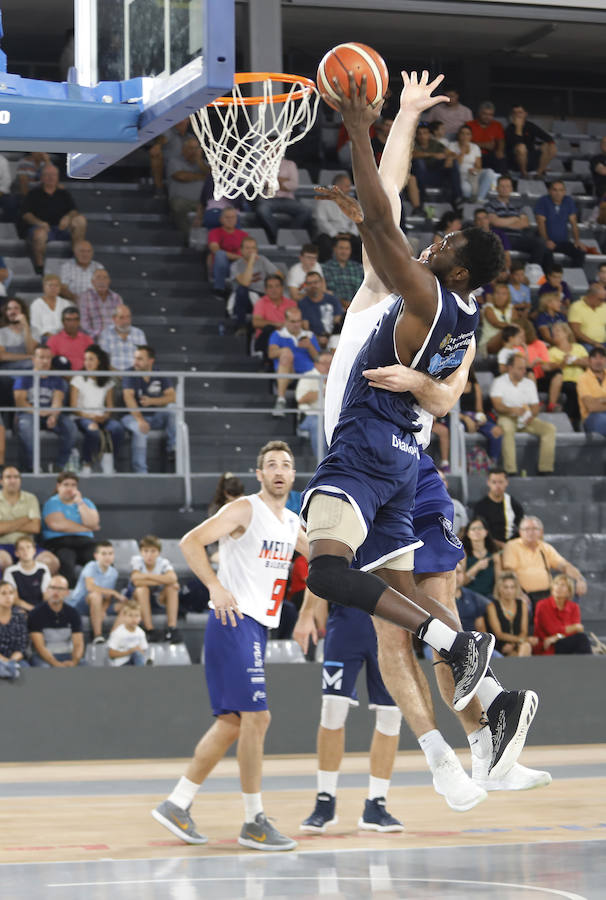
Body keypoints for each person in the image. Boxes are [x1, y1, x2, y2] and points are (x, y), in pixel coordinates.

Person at [297, 72, 544, 797]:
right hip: (404, 453)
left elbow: (380, 213)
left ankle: (470, 716)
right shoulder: (461, 313)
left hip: (374, 449)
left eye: (441, 242)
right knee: (400, 610)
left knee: (392, 597)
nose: (428, 240)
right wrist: (402, 113)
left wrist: (360, 128)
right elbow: (390, 205)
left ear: (454, 264)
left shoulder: (408, 291)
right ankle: (471, 733)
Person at [152, 441, 305, 850]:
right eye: (270, 464)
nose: (278, 470)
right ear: (259, 474)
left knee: (233, 723)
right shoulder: (244, 509)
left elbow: (328, 555)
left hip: (255, 627)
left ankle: (177, 803)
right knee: (258, 719)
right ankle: (254, 820)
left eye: (285, 465)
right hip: (234, 620)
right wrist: (216, 586)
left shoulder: (291, 523)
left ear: (293, 477)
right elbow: (190, 542)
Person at [300, 599, 405, 833]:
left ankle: (376, 805)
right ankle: (324, 801)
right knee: (332, 710)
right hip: (345, 623)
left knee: (391, 714)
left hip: (390, 624)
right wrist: (307, 614)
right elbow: (318, 570)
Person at [489, 353, 556, 476]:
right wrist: (512, 410)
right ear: (510, 368)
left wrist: (531, 415)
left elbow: (535, 407)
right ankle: (510, 470)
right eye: (520, 368)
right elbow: (497, 405)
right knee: (507, 429)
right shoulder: (499, 382)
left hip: (526, 418)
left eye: (524, 368)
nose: (524, 371)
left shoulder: (529, 383)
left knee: (549, 429)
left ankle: (545, 469)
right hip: (507, 417)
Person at [502, 515, 586, 611]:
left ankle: (566, 622)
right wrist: (518, 592)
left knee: (574, 584)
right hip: (524, 595)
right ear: (520, 532)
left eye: (534, 529)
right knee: (521, 605)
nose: (530, 532)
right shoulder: (512, 546)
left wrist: (579, 579)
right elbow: (509, 572)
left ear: (541, 532)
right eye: (526, 529)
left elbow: (564, 565)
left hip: (548, 594)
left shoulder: (545, 548)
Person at [13, 345, 77, 473]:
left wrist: (53, 416)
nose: (45, 361)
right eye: (41, 357)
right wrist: (38, 411)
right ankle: (32, 467)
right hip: (29, 413)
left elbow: (57, 401)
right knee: (26, 427)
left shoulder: (57, 380)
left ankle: (59, 465)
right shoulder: (24, 378)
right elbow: (20, 402)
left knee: (70, 427)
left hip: (48, 413)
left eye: (48, 358)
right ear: (33, 359)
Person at [20, 164, 87, 273]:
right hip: (43, 228)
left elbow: (74, 210)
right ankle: (40, 268)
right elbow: (26, 214)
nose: (51, 178)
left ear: (57, 177)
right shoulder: (33, 194)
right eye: (47, 175)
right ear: (41, 178)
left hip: (62, 228)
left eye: (53, 175)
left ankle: (77, 260)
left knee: (80, 220)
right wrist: (40, 223)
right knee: (39, 234)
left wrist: (67, 218)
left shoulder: (63, 193)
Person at [69, 344, 124, 475]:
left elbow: (110, 406)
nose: (87, 362)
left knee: (117, 429)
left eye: (91, 359)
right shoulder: (78, 379)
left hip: (101, 417)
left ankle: (109, 459)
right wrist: (90, 416)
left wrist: (105, 416)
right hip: (83, 417)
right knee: (92, 429)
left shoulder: (108, 381)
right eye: (86, 359)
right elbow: (73, 407)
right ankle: (86, 463)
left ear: (99, 361)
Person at [121, 345, 176, 474]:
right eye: (135, 358)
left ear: (150, 361)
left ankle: (173, 449)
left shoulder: (159, 374)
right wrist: (140, 419)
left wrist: (152, 401)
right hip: (132, 417)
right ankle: (141, 472)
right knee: (141, 431)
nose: (136, 362)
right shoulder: (129, 373)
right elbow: (128, 398)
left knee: (173, 411)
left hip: (155, 416)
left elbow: (172, 397)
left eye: (140, 359)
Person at [41, 472, 99, 587]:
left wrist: (80, 503)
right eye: (66, 484)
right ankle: (69, 594)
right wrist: (86, 528)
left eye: (73, 485)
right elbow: (57, 525)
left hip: (85, 543)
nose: (70, 488)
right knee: (66, 558)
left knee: (98, 557)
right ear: (58, 486)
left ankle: (99, 592)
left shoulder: (86, 502)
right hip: (60, 543)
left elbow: (93, 522)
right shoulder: (52, 502)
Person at [0, 466, 58, 574]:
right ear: (1, 481)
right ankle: (4, 590)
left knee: (51, 562)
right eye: (8, 477)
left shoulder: (31, 498)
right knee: (2, 561)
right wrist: (24, 520)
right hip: (2, 545)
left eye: (16, 477)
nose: (13, 480)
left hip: (28, 546)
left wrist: (6, 525)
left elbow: (35, 527)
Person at [486, 175, 548, 270]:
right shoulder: (490, 205)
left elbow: (525, 223)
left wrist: (505, 222)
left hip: (518, 238)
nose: (505, 189)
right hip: (501, 238)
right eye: (502, 186)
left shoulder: (516, 206)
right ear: (497, 188)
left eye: (507, 186)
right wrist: (515, 219)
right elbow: (495, 222)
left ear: (511, 188)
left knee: (540, 243)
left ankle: (532, 271)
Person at [268, 307, 320, 417]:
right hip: (289, 372)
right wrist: (284, 350)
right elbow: (271, 353)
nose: (296, 324)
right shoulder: (278, 334)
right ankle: (281, 400)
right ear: (286, 321)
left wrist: (310, 346)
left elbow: (318, 359)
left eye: (299, 321)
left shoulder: (309, 335)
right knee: (286, 354)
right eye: (293, 321)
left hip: (309, 373)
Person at [129, 534, 181, 643]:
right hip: (139, 599)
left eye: (153, 551)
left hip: (158, 598)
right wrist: (162, 579)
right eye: (146, 551)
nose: (149, 555)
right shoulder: (137, 560)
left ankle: (172, 628)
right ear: (140, 552)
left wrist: (146, 576)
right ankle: (149, 629)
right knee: (142, 589)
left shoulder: (163, 562)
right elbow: (136, 580)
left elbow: (172, 578)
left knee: (172, 588)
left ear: (158, 552)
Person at [71, 540, 125, 644]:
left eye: (110, 554)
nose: (107, 557)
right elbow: (90, 587)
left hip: (100, 604)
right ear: (96, 556)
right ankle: (98, 635)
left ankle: (113, 637)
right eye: (103, 554)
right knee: (96, 596)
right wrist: (113, 592)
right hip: (81, 604)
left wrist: (103, 609)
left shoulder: (114, 573)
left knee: (127, 605)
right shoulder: (91, 566)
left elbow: (108, 597)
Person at [28, 574, 85, 667]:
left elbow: (78, 644)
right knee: (45, 669)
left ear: (67, 592)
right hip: (43, 657)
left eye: (60, 589)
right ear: (46, 590)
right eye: (53, 588)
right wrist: (55, 663)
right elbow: (39, 647)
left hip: (68, 655)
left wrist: (74, 661)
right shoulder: (35, 613)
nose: (56, 592)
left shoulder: (73, 613)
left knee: (85, 666)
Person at [255, 157, 313, 243]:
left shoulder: (290, 164)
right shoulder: (261, 164)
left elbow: (294, 185)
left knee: (306, 210)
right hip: (267, 199)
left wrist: (273, 181)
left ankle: (288, 234)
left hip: (287, 199)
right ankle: (276, 236)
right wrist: (283, 180)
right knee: (262, 209)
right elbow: (261, 183)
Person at [229, 237, 279, 334]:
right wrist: (251, 262)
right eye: (247, 248)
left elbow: (279, 276)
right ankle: (241, 326)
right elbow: (245, 283)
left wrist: (270, 282)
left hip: (262, 297)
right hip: (243, 301)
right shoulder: (235, 266)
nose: (251, 251)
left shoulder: (263, 260)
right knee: (242, 289)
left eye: (253, 248)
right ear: (241, 250)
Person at [533, 574, 592, 656]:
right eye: (556, 584)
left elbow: (576, 632)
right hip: (548, 646)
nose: (558, 587)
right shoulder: (542, 605)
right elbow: (552, 630)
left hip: (561, 642)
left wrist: (556, 637)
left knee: (581, 640)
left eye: (563, 585)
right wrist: (574, 627)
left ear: (569, 592)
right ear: (552, 587)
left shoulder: (574, 607)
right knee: (582, 639)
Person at [535, 180, 585, 269]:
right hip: (546, 241)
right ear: (549, 191)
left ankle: (574, 276)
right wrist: (546, 241)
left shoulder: (568, 201)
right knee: (546, 252)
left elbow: (574, 223)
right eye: (555, 190)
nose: (558, 193)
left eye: (561, 190)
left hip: (563, 242)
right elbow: (541, 224)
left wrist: (577, 241)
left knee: (580, 252)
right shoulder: (543, 201)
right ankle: (550, 279)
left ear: (564, 192)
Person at [486, 571, 536, 657]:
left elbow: (524, 631)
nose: (509, 591)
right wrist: (520, 640)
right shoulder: (492, 606)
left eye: (512, 587)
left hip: (518, 644)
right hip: (500, 645)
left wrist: (514, 644)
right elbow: (499, 634)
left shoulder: (522, 604)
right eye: (506, 587)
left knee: (526, 647)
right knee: (516, 651)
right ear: (499, 588)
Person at [548, 321, 588, 429]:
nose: (554, 333)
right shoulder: (552, 351)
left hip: (582, 381)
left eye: (557, 330)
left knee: (579, 388)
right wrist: (563, 363)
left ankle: (572, 422)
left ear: (566, 333)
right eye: (553, 332)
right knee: (574, 390)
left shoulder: (578, 347)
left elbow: (588, 362)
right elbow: (552, 370)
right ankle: (571, 422)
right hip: (564, 382)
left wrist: (574, 361)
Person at [411, 122, 462, 207]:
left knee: (453, 163)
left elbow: (453, 154)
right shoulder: (412, 143)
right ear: (416, 135)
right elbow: (412, 154)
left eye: (425, 133)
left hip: (434, 174)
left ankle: (458, 197)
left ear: (429, 134)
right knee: (419, 162)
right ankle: (423, 197)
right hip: (418, 176)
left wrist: (449, 158)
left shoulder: (434, 143)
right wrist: (432, 155)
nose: (422, 136)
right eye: (419, 134)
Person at [314, 173, 361, 262]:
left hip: (348, 233)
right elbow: (321, 221)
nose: (349, 189)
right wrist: (334, 233)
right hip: (329, 234)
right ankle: (326, 267)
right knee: (324, 242)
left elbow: (356, 219)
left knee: (359, 243)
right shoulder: (324, 201)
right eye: (347, 186)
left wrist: (351, 233)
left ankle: (356, 269)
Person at [458, 368, 503, 464]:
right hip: (458, 417)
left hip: (473, 416)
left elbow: (479, 409)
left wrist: (480, 418)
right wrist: (465, 418)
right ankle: (459, 462)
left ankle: (492, 462)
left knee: (497, 431)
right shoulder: (452, 385)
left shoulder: (475, 386)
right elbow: (449, 410)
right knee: (460, 428)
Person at [166, 137, 210, 234]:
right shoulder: (175, 161)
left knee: (215, 211)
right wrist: (202, 176)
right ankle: (188, 239)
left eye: (196, 148)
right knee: (178, 208)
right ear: (183, 149)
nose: (194, 151)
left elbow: (210, 176)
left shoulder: (203, 164)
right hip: (181, 200)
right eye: (191, 148)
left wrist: (199, 161)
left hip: (201, 203)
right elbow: (181, 176)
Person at [473, 468, 524, 549]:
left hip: (512, 546)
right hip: (488, 547)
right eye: (494, 482)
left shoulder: (515, 505)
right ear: (488, 483)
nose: (497, 486)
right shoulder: (480, 506)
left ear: (506, 482)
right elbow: (478, 531)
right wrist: (498, 544)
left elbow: (521, 528)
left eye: (501, 482)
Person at [295, 350, 332, 459]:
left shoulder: (337, 379)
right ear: (316, 364)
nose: (328, 366)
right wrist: (324, 390)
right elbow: (301, 399)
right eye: (324, 363)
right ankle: (323, 465)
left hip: (331, 417)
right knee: (318, 423)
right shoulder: (308, 376)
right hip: (310, 416)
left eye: (330, 362)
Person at [504, 106, 557, 178]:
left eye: (520, 112)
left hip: (530, 158)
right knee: (521, 147)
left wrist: (551, 144)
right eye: (515, 113)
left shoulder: (530, 126)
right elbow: (517, 144)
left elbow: (547, 137)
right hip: (515, 162)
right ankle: (524, 174)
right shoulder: (509, 129)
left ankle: (539, 173)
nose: (517, 115)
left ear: (525, 114)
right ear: (512, 115)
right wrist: (518, 129)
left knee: (549, 146)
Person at [207, 207, 248, 296]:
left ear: (236, 219)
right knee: (220, 254)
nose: (230, 220)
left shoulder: (244, 235)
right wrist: (236, 256)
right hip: (221, 266)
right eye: (227, 217)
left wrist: (239, 257)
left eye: (233, 217)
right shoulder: (214, 232)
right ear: (221, 219)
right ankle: (219, 289)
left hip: (239, 265)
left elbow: (247, 254)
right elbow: (215, 249)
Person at [448, 125, 495, 202]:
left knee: (490, 172)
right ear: (458, 135)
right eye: (462, 133)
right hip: (460, 174)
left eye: (467, 134)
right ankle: (469, 201)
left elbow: (479, 166)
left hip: (472, 174)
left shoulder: (475, 147)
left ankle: (480, 198)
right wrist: (463, 150)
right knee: (466, 190)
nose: (464, 136)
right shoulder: (452, 146)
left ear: (471, 136)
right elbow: (456, 164)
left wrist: (475, 170)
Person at [4, 535, 51, 611]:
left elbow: (46, 595)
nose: (25, 551)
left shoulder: (43, 568)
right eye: (21, 549)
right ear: (16, 553)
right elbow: (14, 599)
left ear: (34, 550)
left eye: (28, 547)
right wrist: (33, 610)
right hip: (21, 608)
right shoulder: (11, 571)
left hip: (40, 607)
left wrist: (40, 611)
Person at [99, 305, 147, 372]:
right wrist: (117, 374)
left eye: (128, 317)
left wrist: (130, 376)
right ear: (114, 319)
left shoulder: (139, 333)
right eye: (121, 318)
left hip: (135, 375)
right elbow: (103, 360)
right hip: (112, 376)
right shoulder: (106, 334)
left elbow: (144, 359)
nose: (126, 321)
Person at [461, 517, 502, 597]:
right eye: (473, 529)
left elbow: (499, 581)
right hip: (469, 596)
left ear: (486, 532)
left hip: (489, 596)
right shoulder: (463, 553)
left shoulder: (494, 554)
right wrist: (477, 567)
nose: (477, 531)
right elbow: (461, 582)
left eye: (480, 528)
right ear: (468, 533)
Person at [78, 269, 123, 341]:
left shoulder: (116, 298)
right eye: (98, 277)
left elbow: (121, 320)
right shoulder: (85, 297)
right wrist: (100, 334)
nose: (102, 281)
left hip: (114, 338)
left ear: (109, 281)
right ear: (92, 282)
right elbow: (84, 323)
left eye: (105, 278)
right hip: (93, 339)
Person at [322, 236, 365, 309]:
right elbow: (331, 291)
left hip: (357, 306)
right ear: (334, 249)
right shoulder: (326, 267)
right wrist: (344, 304)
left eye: (347, 249)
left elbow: (360, 289)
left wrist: (353, 305)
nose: (344, 252)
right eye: (341, 248)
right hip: (335, 307)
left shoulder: (358, 267)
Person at [47, 307, 93, 372]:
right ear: (63, 322)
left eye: (75, 320)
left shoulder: (87, 339)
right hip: (62, 377)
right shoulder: (53, 340)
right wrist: (66, 376)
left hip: (84, 375)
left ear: (79, 321)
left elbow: (93, 361)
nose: (72, 323)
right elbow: (49, 363)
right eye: (68, 320)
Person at [298, 272, 342, 340]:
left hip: (333, 337)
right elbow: (306, 327)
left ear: (322, 282)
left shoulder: (333, 300)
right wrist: (317, 339)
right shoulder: (302, 304)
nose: (313, 285)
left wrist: (328, 338)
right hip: (313, 339)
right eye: (309, 283)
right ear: (306, 285)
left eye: (315, 282)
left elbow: (337, 322)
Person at [478, 281, 517, 357]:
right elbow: (496, 323)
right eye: (497, 293)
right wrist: (512, 327)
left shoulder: (512, 308)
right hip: (488, 344)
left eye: (504, 294)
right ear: (493, 295)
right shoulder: (488, 308)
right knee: (506, 332)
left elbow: (515, 324)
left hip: (509, 341)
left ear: (508, 296)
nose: (500, 296)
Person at [107, 597, 149, 666]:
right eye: (130, 615)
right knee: (136, 653)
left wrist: (138, 651)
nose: (134, 619)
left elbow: (143, 651)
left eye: (137, 616)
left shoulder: (141, 632)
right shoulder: (118, 633)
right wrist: (129, 652)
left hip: (136, 663)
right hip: (122, 665)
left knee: (138, 655)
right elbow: (111, 653)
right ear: (124, 616)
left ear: (140, 618)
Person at [466, 101, 506, 173]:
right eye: (485, 114)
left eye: (490, 115)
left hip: (489, 155)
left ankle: (502, 180)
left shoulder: (497, 125)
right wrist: (484, 145)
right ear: (479, 113)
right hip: (473, 154)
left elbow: (501, 140)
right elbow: (464, 142)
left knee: (500, 156)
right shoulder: (469, 125)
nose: (487, 117)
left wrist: (500, 150)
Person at [29, 274, 72, 340]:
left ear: (60, 288)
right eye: (50, 285)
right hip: (44, 338)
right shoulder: (36, 304)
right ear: (44, 287)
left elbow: (70, 323)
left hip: (64, 337)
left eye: (56, 286)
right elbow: (36, 326)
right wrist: (52, 337)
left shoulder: (66, 303)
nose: (53, 288)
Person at [0, 298, 39, 370]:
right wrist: (28, 357)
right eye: (9, 309)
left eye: (16, 308)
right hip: (6, 366)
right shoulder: (1, 332)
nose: (12, 312)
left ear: (22, 311)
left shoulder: (34, 330)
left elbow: (30, 351)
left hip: (28, 365)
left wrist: (25, 326)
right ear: (6, 312)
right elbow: (2, 356)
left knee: (34, 364)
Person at [0, 581, 29, 678]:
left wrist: (11, 661)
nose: (8, 597)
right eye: (3, 593)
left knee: (26, 670)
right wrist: (5, 662)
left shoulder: (20, 616)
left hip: (15, 659)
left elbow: (22, 645)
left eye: (11, 593)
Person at [576, 345, 606, 436]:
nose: (598, 361)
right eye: (594, 357)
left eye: (601, 357)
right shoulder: (583, 378)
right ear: (589, 361)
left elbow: (594, 403)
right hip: (592, 417)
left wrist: (599, 400)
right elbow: (591, 407)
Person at [452, 560, 489, 633]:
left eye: (459, 572)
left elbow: (481, 627)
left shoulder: (473, 597)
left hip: (470, 641)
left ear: (464, 574)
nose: (456, 577)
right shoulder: (439, 598)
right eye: (453, 573)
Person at [568, 283, 606, 352]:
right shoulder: (576, 307)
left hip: (603, 342)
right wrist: (594, 343)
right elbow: (576, 331)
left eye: (604, 299)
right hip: (586, 343)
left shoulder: (604, 306)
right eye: (600, 299)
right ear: (591, 296)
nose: (603, 302)